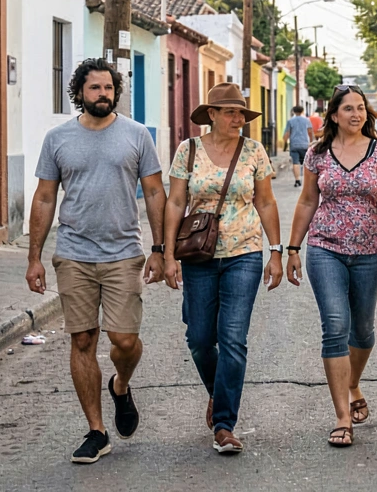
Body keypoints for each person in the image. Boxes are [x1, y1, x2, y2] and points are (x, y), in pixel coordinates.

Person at [25, 58, 167, 464]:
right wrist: (34, 257)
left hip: (124, 253)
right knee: (83, 339)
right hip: (74, 254)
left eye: (108, 88)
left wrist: (159, 249)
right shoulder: (58, 139)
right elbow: (45, 197)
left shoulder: (136, 135)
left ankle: (120, 384)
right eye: (95, 88)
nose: (103, 94)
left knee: (124, 340)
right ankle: (96, 431)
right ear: (79, 93)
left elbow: (154, 192)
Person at [161, 83, 283, 455]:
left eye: (241, 113)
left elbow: (265, 202)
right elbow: (175, 202)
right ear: (211, 115)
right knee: (199, 339)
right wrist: (167, 255)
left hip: (244, 253)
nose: (237, 119)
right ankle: (218, 391)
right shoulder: (188, 150)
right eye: (230, 112)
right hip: (198, 255)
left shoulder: (254, 151)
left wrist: (276, 251)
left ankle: (224, 424)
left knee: (232, 338)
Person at [287, 84, 377, 447]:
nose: (356, 114)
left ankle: (353, 383)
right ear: (334, 115)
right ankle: (342, 416)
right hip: (325, 248)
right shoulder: (317, 153)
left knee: (363, 330)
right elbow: (307, 201)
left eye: (360, 108)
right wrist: (292, 248)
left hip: (371, 252)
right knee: (335, 326)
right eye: (348, 109)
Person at [283, 106, 315, 187]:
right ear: (302, 111)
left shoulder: (290, 121)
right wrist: (311, 142)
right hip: (305, 144)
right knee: (307, 163)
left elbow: (287, 133)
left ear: (293, 111)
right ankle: (308, 181)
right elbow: (310, 132)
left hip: (294, 144)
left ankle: (297, 180)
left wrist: (285, 143)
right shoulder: (307, 120)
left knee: (295, 162)